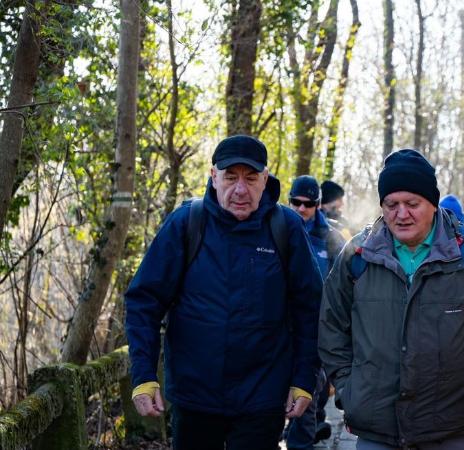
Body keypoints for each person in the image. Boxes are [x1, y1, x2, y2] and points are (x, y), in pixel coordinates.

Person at [319, 149, 464, 450]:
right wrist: (350, 392)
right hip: (376, 430)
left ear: (432, 203)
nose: (401, 214)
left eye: (412, 204)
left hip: (450, 429)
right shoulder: (357, 256)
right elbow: (331, 327)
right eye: (392, 204)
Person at [125, 135, 323, 450]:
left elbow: (310, 309)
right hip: (195, 396)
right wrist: (144, 374)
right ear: (213, 176)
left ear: (266, 179)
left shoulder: (286, 227)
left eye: (251, 178)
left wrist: (303, 379)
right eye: (230, 177)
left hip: (263, 396)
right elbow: (143, 301)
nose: (240, 189)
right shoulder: (187, 222)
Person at [284, 175, 346, 448]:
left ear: (318, 205)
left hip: (317, 326)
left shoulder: (331, 237)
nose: (301, 208)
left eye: (308, 204)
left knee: (309, 390)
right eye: (295, 202)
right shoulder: (276, 227)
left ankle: (303, 440)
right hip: (280, 326)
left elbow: (346, 282)